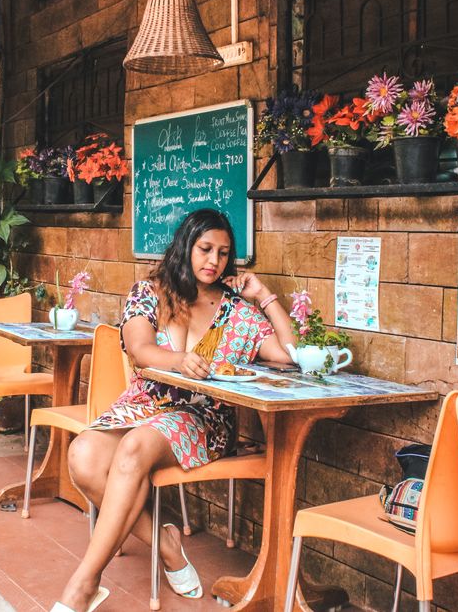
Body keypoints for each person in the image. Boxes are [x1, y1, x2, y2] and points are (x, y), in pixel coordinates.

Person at [52, 209, 297, 612]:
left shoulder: (236, 311)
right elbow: (139, 348)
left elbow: (289, 357)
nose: (213, 261)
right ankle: (166, 543)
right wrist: (180, 359)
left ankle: (85, 584)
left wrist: (264, 296)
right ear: (186, 246)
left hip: (202, 417)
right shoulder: (150, 292)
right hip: (143, 404)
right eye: (205, 249)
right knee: (83, 456)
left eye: (222, 253)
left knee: (132, 450)